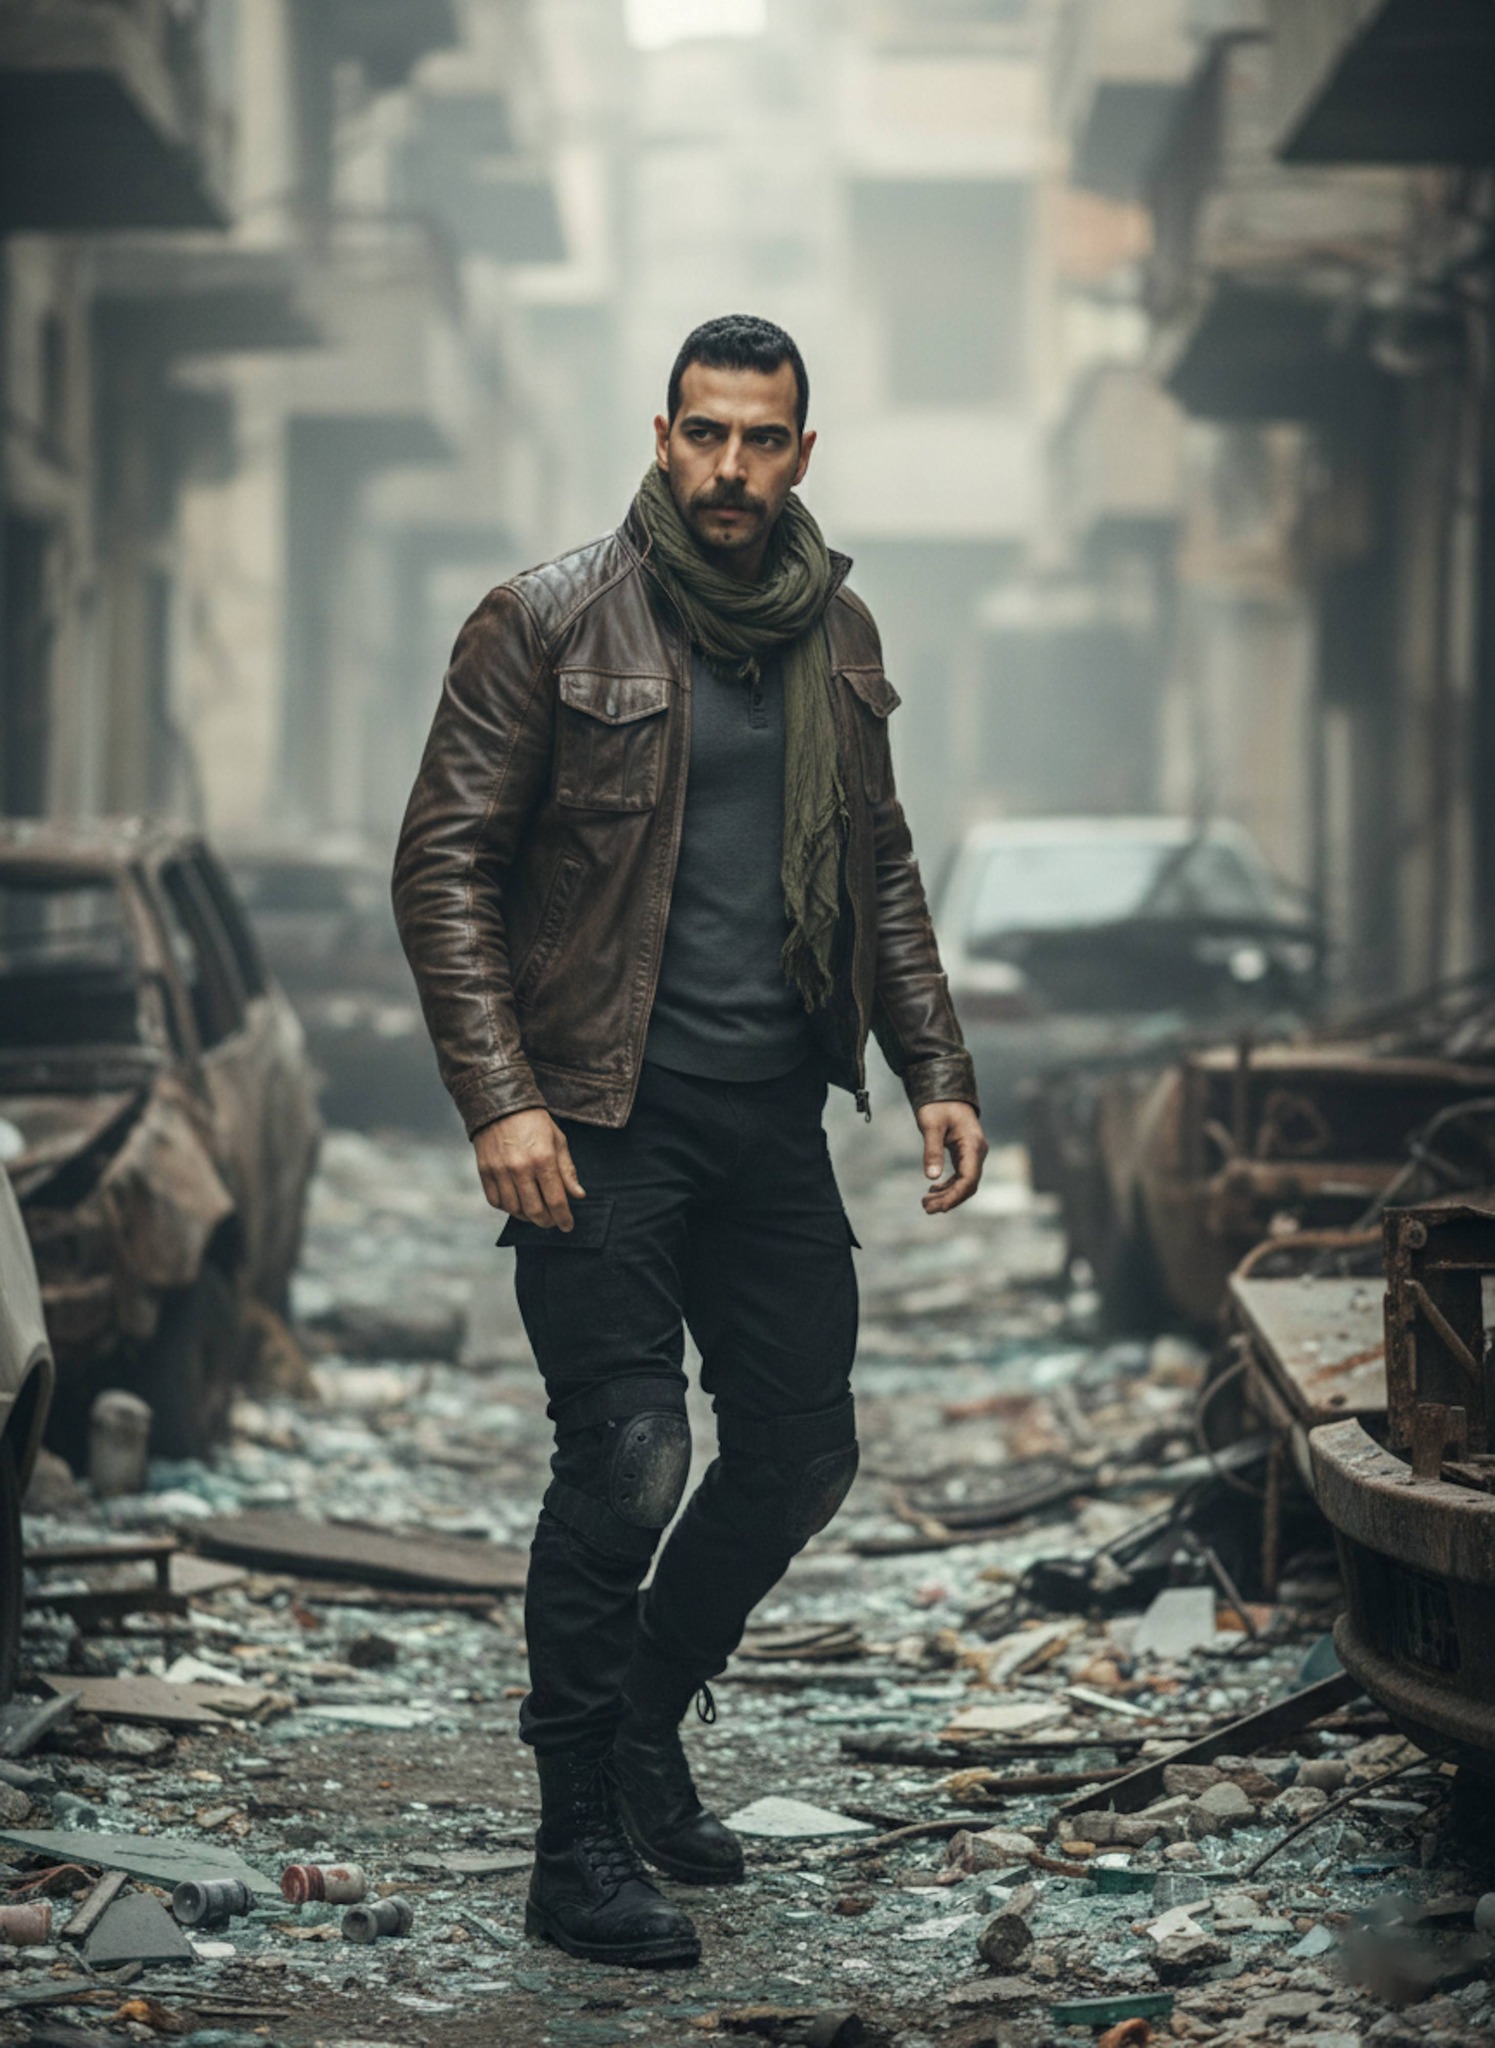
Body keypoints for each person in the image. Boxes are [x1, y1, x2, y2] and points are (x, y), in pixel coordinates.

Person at [393, 313, 987, 1969]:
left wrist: (934, 1060)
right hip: (596, 1121)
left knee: (803, 1452)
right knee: (633, 1458)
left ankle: (648, 1716)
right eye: (706, 435)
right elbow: (442, 868)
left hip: (770, 1116)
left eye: (764, 439)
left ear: (805, 452)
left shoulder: (836, 631)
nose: (733, 469)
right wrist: (498, 1096)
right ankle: (573, 1841)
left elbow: (880, 870)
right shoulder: (545, 621)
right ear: (662, 436)